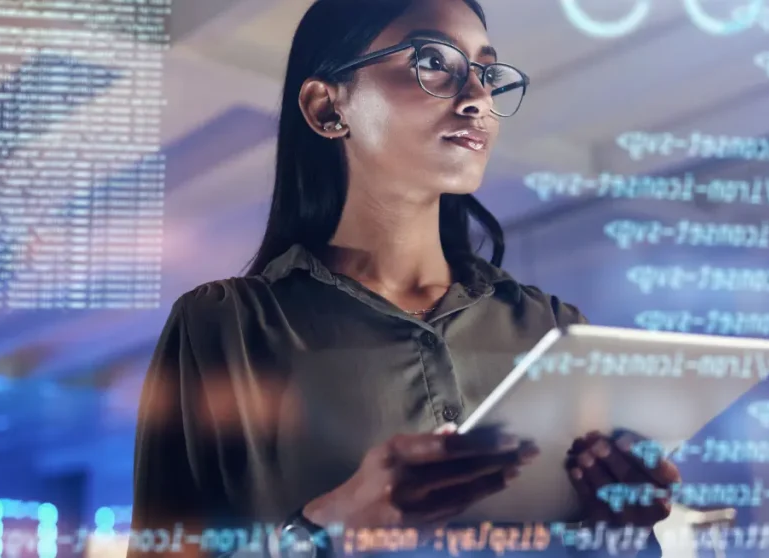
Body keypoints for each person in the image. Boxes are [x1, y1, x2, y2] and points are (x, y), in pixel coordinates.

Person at [128, 0, 679, 556]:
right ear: (327, 107)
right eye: (434, 62)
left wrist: (623, 535)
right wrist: (324, 530)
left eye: (487, 74)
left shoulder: (552, 330)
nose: (478, 98)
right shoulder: (226, 327)